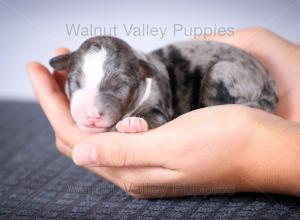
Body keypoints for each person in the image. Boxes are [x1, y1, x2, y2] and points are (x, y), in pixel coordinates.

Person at [27, 28, 300, 198]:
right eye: (78, 82)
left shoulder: (151, 84)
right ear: (68, 70)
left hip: (238, 77)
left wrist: (254, 147)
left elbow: (157, 116)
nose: (92, 110)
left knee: (221, 77)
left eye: (117, 86)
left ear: (141, 75)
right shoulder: (141, 71)